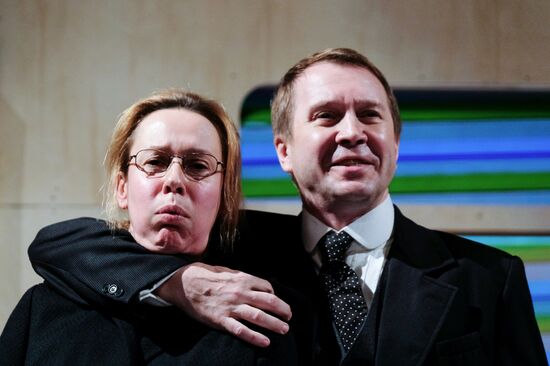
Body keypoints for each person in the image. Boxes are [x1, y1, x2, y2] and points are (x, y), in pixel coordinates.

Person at [23, 49, 547, 365]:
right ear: (283, 151)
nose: (352, 133)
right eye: (326, 115)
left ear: (395, 139)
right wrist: (181, 283)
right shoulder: (227, 248)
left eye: (370, 115)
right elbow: (61, 244)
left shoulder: (489, 279)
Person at [0, 89, 305, 365]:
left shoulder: (257, 317)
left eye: (198, 166)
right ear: (122, 188)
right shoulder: (42, 309)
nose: (173, 180)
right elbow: (50, 242)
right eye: (155, 162)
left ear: (225, 194)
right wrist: (175, 281)